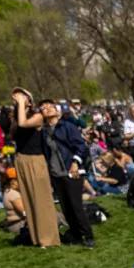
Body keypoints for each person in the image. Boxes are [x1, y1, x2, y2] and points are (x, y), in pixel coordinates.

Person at [9, 88, 60, 247]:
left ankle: (49, 238)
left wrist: (23, 106)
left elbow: (25, 124)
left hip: (35, 160)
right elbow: (12, 134)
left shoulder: (38, 116)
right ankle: (36, 237)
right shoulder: (18, 116)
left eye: (23, 96)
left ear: (29, 101)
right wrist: (17, 111)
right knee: (29, 199)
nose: (18, 98)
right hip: (21, 159)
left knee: (41, 199)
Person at [41, 99, 94, 247]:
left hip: (72, 170)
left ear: (57, 110)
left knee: (76, 205)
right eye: (43, 108)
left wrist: (75, 163)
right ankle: (76, 235)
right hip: (56, 172)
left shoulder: (67, 126)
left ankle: (88, 236)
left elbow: (81, 146)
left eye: (49, 106)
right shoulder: (43, 131)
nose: (47, 109)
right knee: (66, 207)